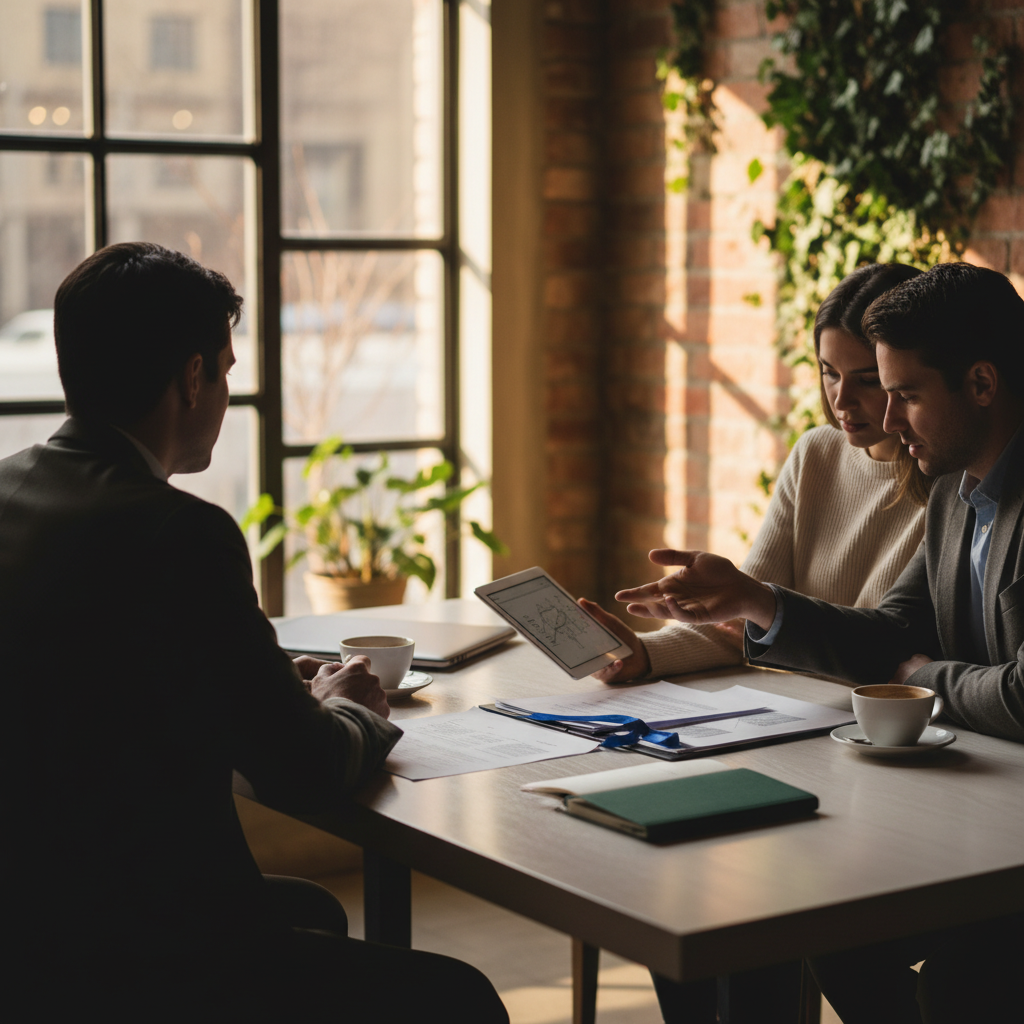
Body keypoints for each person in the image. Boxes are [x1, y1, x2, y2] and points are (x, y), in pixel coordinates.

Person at [0, 242, 508, 1023]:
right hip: (140, 952)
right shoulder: (180, 532)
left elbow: (108, 677)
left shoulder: (11, 489)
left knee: (313, 910)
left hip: (34, 925)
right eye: (228, 370)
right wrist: (352, 707)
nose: (228, 391)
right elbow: (302, 773)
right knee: (461, 999)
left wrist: (265, 682)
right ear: (193, 376)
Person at [616, 261, 1024, 1023]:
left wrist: (925, 675)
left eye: (903, 393)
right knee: (772, 901)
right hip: (975, 803)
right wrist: (757, 601)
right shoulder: (957, 495)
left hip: (1006, 844)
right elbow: (888, 635)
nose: (889, 421)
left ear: (981, 383)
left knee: (944, 968)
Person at [582, 263, 929, 691]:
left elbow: (882, 646)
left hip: (871, 717)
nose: (842, 400)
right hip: (800, 711)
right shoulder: (816, 454)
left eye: (868, 379)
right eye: (829, 372)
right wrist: (643, 654)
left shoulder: (949, 481)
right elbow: (745, 618)